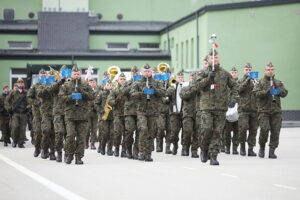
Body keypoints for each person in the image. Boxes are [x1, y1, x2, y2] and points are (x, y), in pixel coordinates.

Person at [190, 49, 238, 165]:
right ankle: (204, 149)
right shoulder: (202, 73)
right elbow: (196, 87)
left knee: (217, 132)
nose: (214, 60)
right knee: (206, 130)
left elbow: (235, 87)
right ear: (208, 60)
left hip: (221, 108)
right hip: (206, 107)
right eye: (212, 58)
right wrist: (208, 79)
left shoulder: (224, 73)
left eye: (216, 58)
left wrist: (233, 99)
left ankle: (213, 156)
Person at [59, 66, 94, 164]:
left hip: (82, 115)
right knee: (70, 135)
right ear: (71, 75)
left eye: (78, 74)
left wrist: (82, 92)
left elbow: (92, 96)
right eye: (74, 74)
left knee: (81, 137)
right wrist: (71, 96)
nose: (76, 76)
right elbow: (61, 98)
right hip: (70, 114)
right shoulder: (66, 85)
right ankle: (69, 155)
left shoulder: (85, 84)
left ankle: (79, 157)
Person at [253, 62, 288, 159]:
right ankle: (262, 147)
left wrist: (277, 91)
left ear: (274, 71)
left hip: (276, 111)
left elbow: (284, 93)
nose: (270, 71)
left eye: (272, 69)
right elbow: (255, 94)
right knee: (264, 129)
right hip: (264, 111)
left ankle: (272, 150)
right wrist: (266, 91)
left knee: (275, 131)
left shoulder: (278, 82)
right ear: (265, 71)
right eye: (268, 70)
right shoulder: (260, 82)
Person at [130, 64, 165, 161]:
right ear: (142, 72)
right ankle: (141, 151)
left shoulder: (157, 82)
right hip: (141, 111)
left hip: (153, 111)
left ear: (152, 72)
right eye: (145, 71)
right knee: (143, 129)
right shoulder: (137, 83)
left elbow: (163, 93)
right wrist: (142, 92)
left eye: (149, 71)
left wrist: (154, 89)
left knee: (151, 132)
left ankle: (148, 153)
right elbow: (132, 94)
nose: (147, 73)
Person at [237, 63, 259, 156]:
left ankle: (251, 148)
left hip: (254, 109)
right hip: (243, 109)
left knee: (253, 129)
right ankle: (242, 146)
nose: (248, 71)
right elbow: (238, 90)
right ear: (244, 71)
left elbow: (259, 93)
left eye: (250, 70)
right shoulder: (240, 81)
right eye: (246, 70)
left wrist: (257, 85)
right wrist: (247, 80)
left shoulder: (256, 81)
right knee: (243, 128)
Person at [165, 72, 186, 155]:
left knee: (185, 131)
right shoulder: (172, 87)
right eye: (179, 77)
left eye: (181, 77)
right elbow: (166, 98)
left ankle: (184, 148)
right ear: (176, 78)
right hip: (174, 112)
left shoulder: (185, 87)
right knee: (174, 131)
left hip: (184, 112)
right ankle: (175, 145)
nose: (180, 78)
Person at [108, 72, 127, 157]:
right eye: (121, 79)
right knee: (118, 132)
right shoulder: (115, 90)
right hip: (118, 114)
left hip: (127, 114)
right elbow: (109, 101)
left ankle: (124, 150)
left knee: (127, 133)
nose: (122, 81)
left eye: (124, 79)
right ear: (118, 80)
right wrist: (116, 100)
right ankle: (116, 148)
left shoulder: (128, 89)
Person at [179, 73, 199, 157]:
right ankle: (185, 147)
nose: (193, 80)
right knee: (187, 131)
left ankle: (194, 150)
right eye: (191, 78)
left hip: (198, 113)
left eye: (195, 79)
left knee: (197, 132)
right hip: (188, 113)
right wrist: (192, 89)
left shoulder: (200, 89)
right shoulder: (184, 88)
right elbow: (183, 96)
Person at [123, 66, 140, 159]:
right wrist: (132, 85)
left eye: (137, 73)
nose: (135, 74)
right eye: (133, 73)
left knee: (139, 132)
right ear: (131, 74)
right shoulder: (128, 83)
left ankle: (136, 151)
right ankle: (128, 149)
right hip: (129, 111)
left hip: (140, 110)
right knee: (129, 131)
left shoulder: (142, 83)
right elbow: (122, 92)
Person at [5, 78, 28, 148]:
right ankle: (14, 141)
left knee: (22, 128)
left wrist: (28, 109)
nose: (20, 83)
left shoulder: (26, 93)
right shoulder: (13, 92)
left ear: (23, 84)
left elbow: (30, 101)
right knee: (15, 127)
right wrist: (9, 108)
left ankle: (20, 143)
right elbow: (7, 101)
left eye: (22, 82)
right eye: (19, 82)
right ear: (17, 84)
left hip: (23, 113)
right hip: (15, 113)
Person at [27, 69, 45, 157]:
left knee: (46, 131)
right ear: (39, 76)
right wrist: (37, 103)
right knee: (38, 131)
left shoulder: (49, 86)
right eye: (41, 75)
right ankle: (37, 148)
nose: (43, 77)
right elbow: (29, 98)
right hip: (37, 113)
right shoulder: (34, 86)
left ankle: (45, 149)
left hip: (47, 113)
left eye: (44, 75)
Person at [95, 80, 114, 156]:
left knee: (112, 134)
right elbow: (96, 104)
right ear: (105, 85)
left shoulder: (114, 93)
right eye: (108, 84)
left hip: (112, 116)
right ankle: (102, 147)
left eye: (110, 84)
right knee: (104, 133)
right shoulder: (101, 93)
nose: (109, 86)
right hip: (104, 116)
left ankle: (109, 149)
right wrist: (101, 110)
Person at [223, 67, 240, 154]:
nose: (233, 74)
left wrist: (235, 100)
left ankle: (235, 148)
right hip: (227, 110)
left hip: (237, 111)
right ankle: (227, 147)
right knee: (227, 131)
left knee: (237, 131)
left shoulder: (240, 83)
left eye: (235, 72)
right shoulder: (226, 84)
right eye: (232, 72)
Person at [86, 78, 98, 150]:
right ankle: (86, 142)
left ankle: (92, 143)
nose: (92, 84)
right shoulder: (86, 91)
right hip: (87, 112)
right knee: (87, 128)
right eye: (91, 82)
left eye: (93, 82)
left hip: (95, 112)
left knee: (94, 129)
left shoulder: (98, 91)